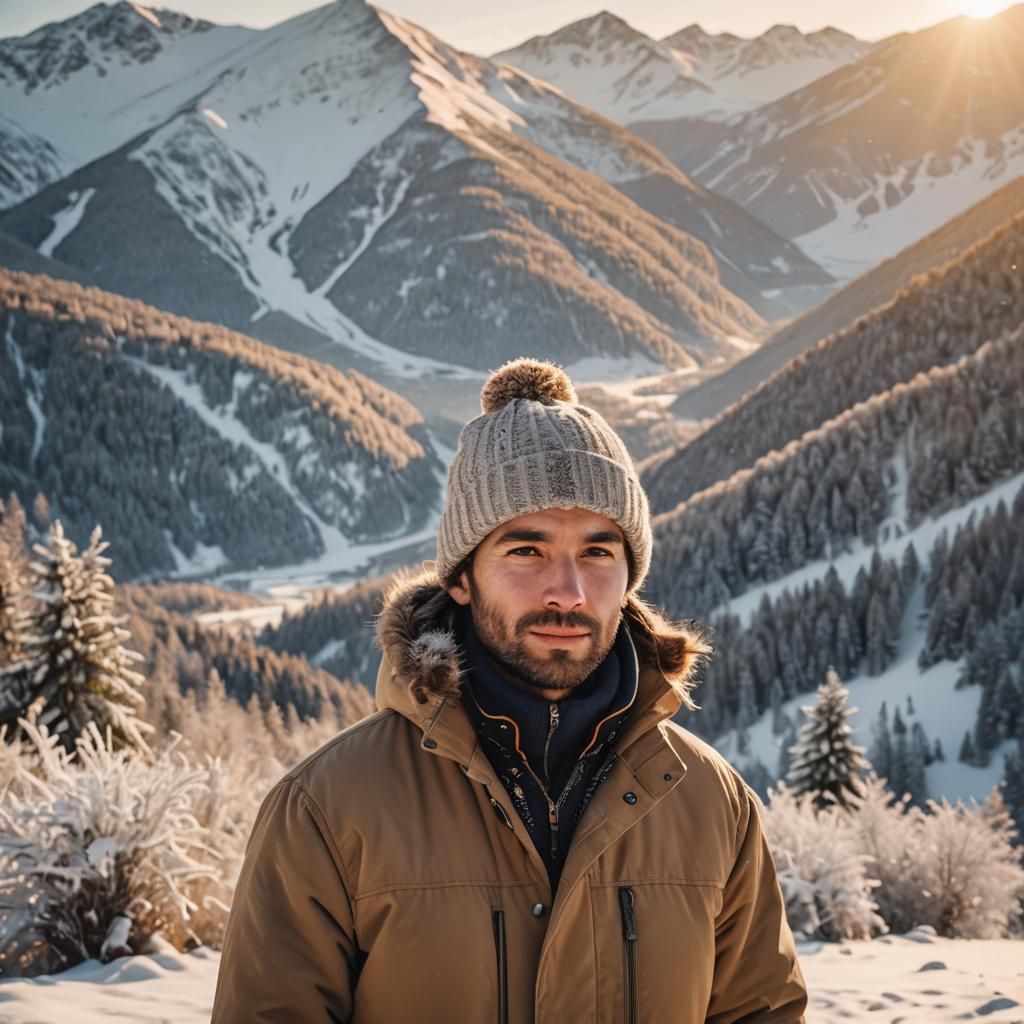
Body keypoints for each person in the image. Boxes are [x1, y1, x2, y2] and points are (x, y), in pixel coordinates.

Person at [212, 358, 807, 1023]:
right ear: (461, 579)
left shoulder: (708, 800)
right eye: (526, 551)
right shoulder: (327, 810)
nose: (568, 590)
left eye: (598, 552)